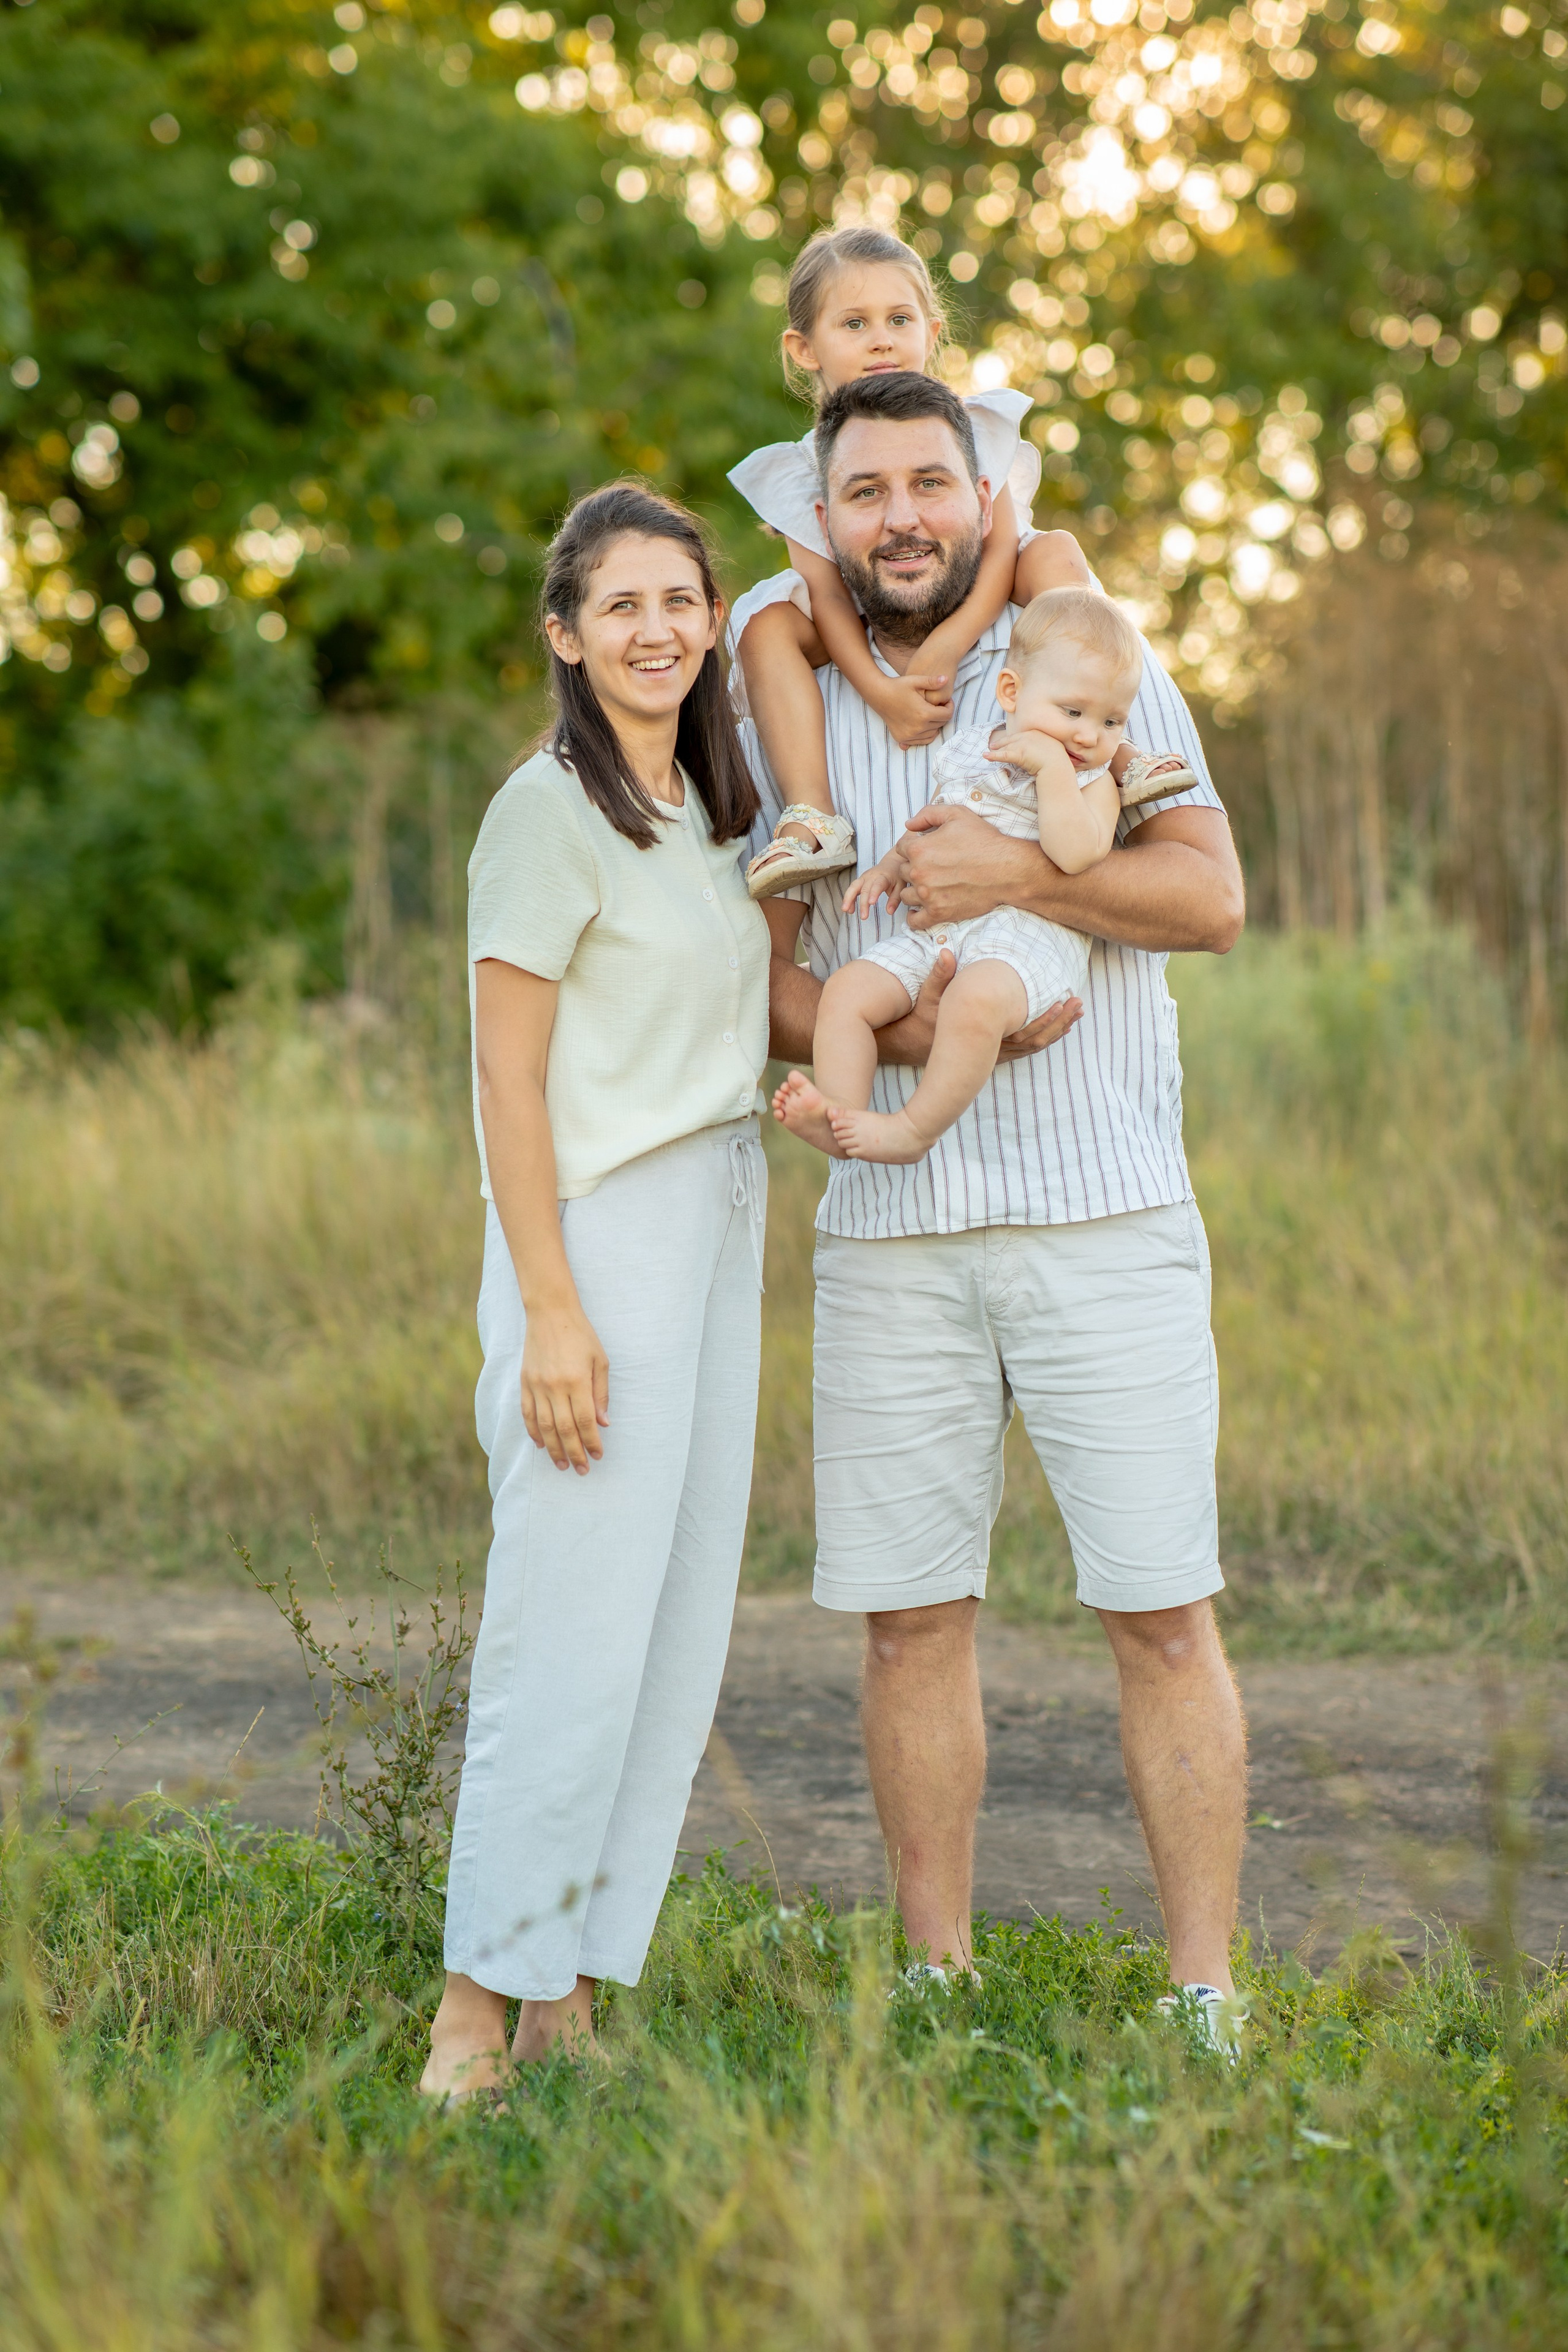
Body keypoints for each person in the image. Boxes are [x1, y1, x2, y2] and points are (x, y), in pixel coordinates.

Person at [751, 368, 1251, 2054]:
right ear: (827, 521)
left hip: (1101, 1210)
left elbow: (1208, 897)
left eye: (928, 483)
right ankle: (935, 1977)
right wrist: (896, 1019)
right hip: (889, 1240)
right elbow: (768, 979)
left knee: (1163, 1613)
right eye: (868, 489)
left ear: (984, 496)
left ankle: (1204, 1997)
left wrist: (1021, 878)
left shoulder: (1091, 659)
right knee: (907, 1622)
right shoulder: (783, 701)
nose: (902, 515)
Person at [421, 483, 770, 2100]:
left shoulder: (703, 808)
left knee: (670, 1626)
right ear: (567, 632)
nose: (657, 629)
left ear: (712, 621)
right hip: (598, 1237)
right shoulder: (542, 808)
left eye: (681, 600)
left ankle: (567, 1990)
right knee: (568, 1629)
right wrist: (553, 1310)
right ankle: (471, 2015)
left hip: (718, 1221)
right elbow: (506, 1083)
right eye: (621, 604)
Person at [729, 224, 1099, 901]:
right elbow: (828, 596)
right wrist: (878, 689)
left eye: (899, 320)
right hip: (861, 594)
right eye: (854, 323)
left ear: (931, 332)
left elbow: (998, 553)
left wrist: (948, 647)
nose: (881, 339)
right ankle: (813, 813)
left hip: (981, 572)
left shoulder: (970, 429)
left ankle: (1110, 740)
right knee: (767, 626)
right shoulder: (805, 469)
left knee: (1054, 554)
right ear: (803, 348)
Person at [776, 585, 1189, 1166]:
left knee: (973, 1000)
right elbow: (937, 824)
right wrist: (892, 865)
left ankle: (913, 1131)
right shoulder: (971, 751)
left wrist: (1052, 771)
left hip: (1024, 952)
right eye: (1072, 712)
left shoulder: (1096, 785)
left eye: (1112, 721)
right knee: (846, 989)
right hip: (937, 939)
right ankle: (841, 1115)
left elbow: (1074, 855)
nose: (1089, 736)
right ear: (1011, 692)